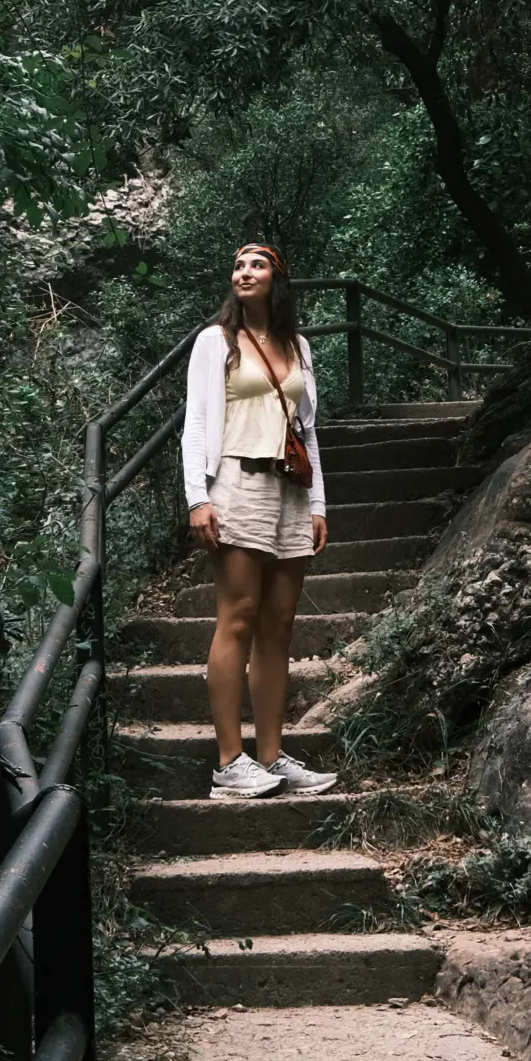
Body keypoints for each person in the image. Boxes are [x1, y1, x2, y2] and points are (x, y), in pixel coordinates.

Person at [182, 243, 339, 799]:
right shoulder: (215, 341)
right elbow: (196, 424)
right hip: (237, 483)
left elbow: (307, 430)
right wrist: (197, 498)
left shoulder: (298, 345)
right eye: (239, 265)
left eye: (257, 264)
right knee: (239, 616)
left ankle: (271, 757)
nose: (244, 272)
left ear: (277, 279)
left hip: (290, 490)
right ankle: (230, 763)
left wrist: (318, 504)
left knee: (279, 624)